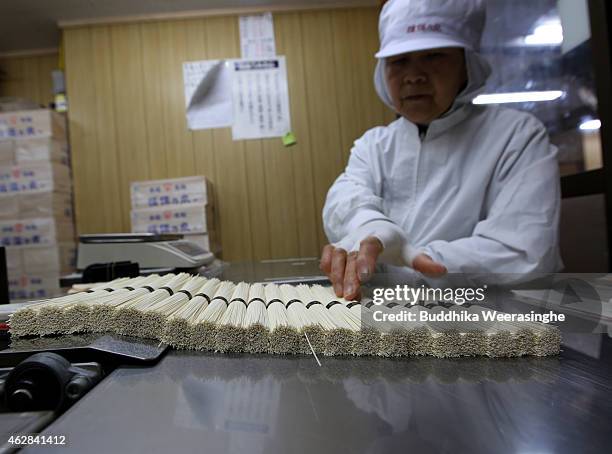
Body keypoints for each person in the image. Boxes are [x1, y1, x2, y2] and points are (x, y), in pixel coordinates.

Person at [320, 0, 562, 300]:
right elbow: (346, 199)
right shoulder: (374, 145)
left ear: (467, 65)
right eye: (398, 61)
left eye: (434, 56)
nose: (413, 76)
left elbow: (523, 251)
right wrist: (370, 226)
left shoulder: (516, 136)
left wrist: (410, 257)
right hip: (387, 317)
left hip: (489, 319)